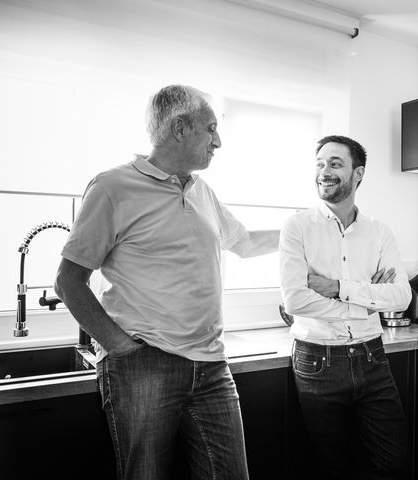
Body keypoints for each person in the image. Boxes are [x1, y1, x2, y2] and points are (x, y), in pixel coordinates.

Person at [54, 84, 279, 480]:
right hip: (145, 364)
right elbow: (69, 281)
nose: (218, 141)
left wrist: (302, 232)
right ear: (180, 128)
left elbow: (242, 242)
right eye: (210, 129)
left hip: (211, 365)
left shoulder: (202, 190)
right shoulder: (113, 187)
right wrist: (122, 348)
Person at [279, 135, 412, 479]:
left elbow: (401, 297)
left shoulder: (379, 232)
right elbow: (295, 300)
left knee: (394, 462)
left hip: (372, 357)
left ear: (358, 174)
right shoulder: (297, 227)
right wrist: (367, 300)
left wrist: (338, 289)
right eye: (320, 164)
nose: (324, 171)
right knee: (331, 467)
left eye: (335, 163)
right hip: (316, 360)